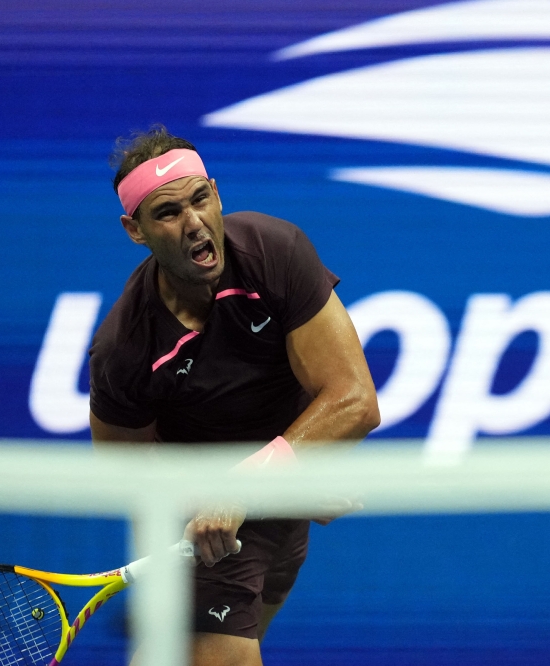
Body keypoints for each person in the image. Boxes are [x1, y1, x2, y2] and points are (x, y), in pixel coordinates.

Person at [87, 126, 380, 665]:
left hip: (280, 496)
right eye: (168, 213)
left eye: (201, 199)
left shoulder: (275, 253)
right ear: (136, 231)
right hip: (205, 529)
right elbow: (126, 476)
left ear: (217, 194)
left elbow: (354, 399)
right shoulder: (125, 348)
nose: (194, 222)